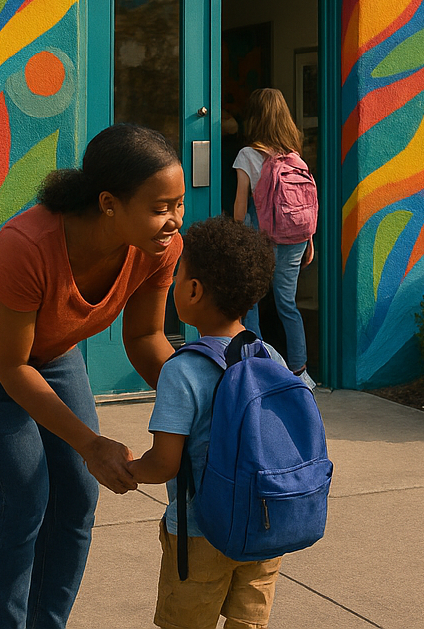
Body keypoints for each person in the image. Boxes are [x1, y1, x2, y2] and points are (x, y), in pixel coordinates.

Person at [0, 124, 185, 628]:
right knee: (24, 499)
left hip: (52, 352)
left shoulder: (159, 247)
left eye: (178, 204)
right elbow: (11, 366)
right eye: (160, 207)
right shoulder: (28, 246)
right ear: (109, 204)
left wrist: (202, 400)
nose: (173, 220)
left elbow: (145, 337)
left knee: (78, 497)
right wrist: (91, 443)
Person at [128, 216, 284, 629]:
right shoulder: (271, 358)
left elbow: (165, 464)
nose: (174, 283)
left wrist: (129, 470)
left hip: (201, 532)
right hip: (265, 528)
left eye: (178, 275)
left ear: (194, 290)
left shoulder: (182, 371)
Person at [231, 87, 315, 385]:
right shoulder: (294, 157)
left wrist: (238, 237)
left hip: (261, 237)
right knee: (287, 305)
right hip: (296, 238)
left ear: (254, 117)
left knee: (252, 302)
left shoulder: (247, 155)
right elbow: (304, 203)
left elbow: (241, 208)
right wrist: (309, 240)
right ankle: (300, 372)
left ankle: (258, 366)